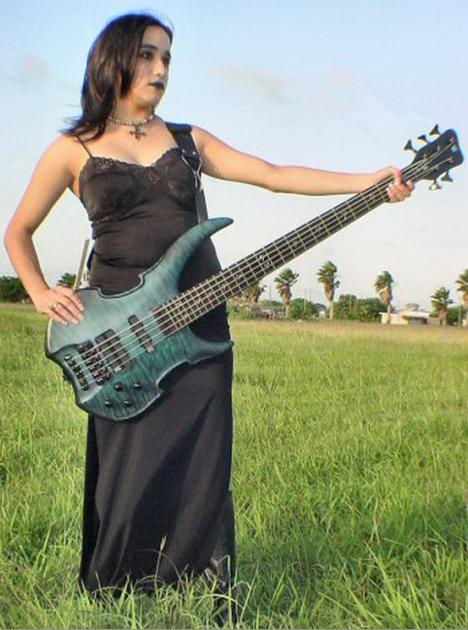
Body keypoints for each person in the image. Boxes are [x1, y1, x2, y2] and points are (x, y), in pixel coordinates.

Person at [4, 9, 414, 611]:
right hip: (119, 334)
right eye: (148, 54)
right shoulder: (72, 148)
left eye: (167, 57)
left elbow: (272, 175)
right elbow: (18, 230)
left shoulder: (188, 142)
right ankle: (118, 588)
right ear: (115, 59)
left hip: (200, 321)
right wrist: (40, 291)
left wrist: (369, 183)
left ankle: (200, 589)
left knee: (202, 461)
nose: (161, 68)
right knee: (130, 465)